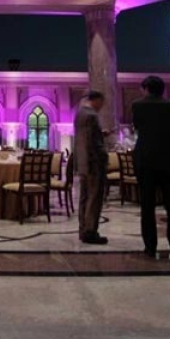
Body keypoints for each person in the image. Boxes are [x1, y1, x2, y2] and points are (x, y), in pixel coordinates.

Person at [131, 75, 170, 260]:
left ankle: (150, 247)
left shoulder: (137, 105)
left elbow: (137, 127)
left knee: (147, 207)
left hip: (146, 159)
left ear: (146, 88)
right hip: (169, 158)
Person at [74, 90, 109, 244]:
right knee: (94, 198)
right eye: (102, 102)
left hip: (83, 162)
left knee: (84, 197)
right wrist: (103, 156)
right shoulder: (92, 115)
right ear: (96, 100)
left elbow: (85, 137)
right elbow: (92, 143)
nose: (102, 106)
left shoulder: (80, 113)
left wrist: (101, 134)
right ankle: (90, 232)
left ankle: (83, 229)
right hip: (94, 163)